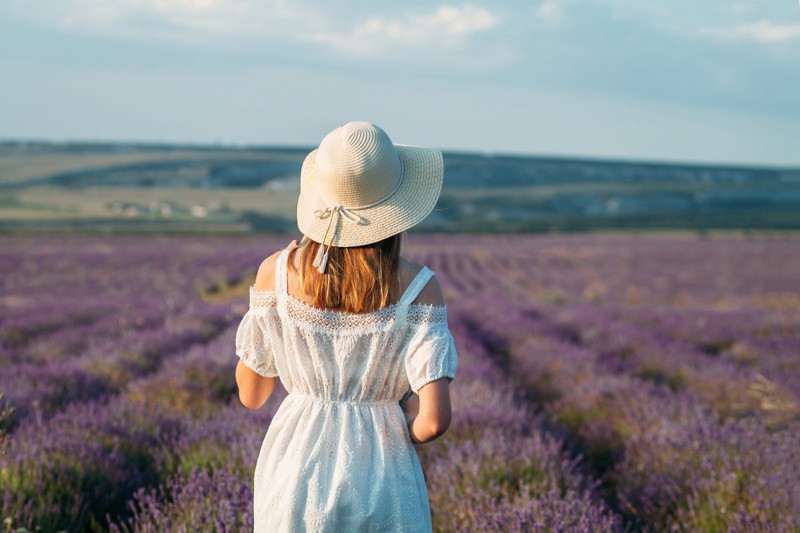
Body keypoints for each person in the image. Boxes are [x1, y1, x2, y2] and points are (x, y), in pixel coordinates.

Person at [233, 121, 458, 532]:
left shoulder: (275, 273)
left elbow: (252, 394)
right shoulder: (421, 288)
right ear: (397, 211)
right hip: (383, 471)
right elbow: (435, 420)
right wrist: (396, 430)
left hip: (294, 467)